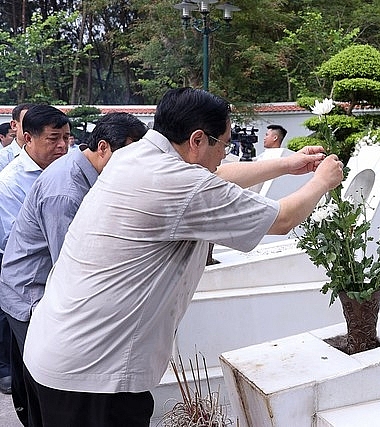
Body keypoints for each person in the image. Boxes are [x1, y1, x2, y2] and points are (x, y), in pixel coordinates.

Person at [22, 88, 343, 427]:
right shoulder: (180, 184)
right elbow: (282, 219)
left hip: (55, 353)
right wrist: (322, 181)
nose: (225, 153)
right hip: (93, 379)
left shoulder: (136, 156)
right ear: (198, 140)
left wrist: (285, 165)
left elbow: (212, 177)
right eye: (224, 144)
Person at [0, 112, 146, 425]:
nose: (138, 167)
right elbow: (72, 264)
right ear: (104, 148)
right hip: (31, 295)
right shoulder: (66, 193)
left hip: (40, 287)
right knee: (54, 385)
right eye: (131, 157)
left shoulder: (85, 172)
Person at [0, 104, 69, 401]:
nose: (62, 146)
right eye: (53, 139)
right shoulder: (11, 183)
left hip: (54, 286)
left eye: (67, 137)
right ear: (27, 138)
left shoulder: (65, 172)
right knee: (39, 375)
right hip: (28, 289)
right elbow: (14, 240)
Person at [0, 104, 33, 172]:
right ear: (14, 125)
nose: (35, 127)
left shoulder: (49, 155)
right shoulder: (2, 158)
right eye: (27, 122)